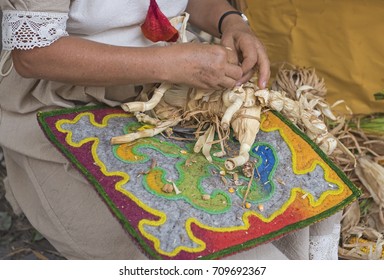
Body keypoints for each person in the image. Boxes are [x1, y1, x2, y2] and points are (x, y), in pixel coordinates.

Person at [0, 0, 341, 260]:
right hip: (63, 102)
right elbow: (33, 54)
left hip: (174, 90)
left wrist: (233, 22)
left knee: (298, 192)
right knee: (181, 245)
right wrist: (174, 63)